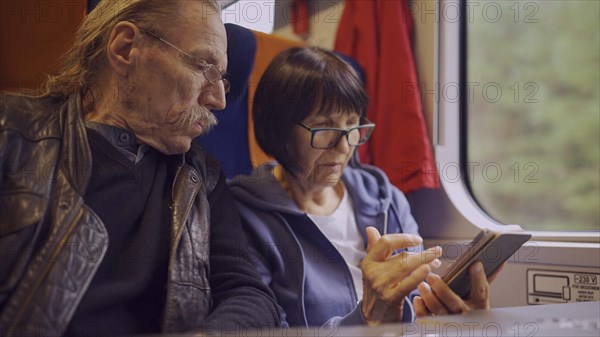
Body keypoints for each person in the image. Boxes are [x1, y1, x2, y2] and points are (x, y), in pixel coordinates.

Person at [0, 0, 281, 336]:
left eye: (222, 78)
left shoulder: (201, 176)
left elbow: (248, 292)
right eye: (203, 66)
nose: (219, 100)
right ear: (125, 49)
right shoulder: (11, 133)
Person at [228, 46, 496, 327]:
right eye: (324, 128)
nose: (344, 146)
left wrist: (452, 321)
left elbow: (416, 306)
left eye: (352, 126)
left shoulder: (385, 197)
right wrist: (368, 319)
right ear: (279, 130)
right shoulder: (242, 213)